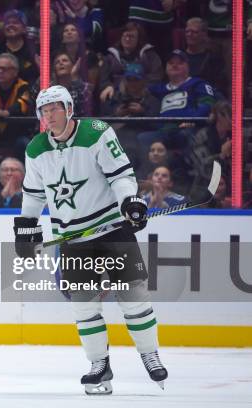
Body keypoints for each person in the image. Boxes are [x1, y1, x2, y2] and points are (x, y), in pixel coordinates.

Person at [14, 85, 168, 394]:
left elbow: (120, 175)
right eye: (44, 111)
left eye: (54, 108)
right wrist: (26, 227)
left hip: (111, 227)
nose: (49, 115)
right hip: (72, 237)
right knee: (83, 305)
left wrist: (130, 203)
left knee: (133, 295)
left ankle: (150, 355)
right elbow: (33, 194)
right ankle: (100, 364)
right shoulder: (35, 149)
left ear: (69, 108)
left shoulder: (96, 132)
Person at [136, 49, 216, 154]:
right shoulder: (158, 88)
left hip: (187, 130)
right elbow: (134, 88)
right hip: (164, 132)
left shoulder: (198, 84)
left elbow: (207, 105)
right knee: (142, 138)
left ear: (188, 67)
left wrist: (193, 120)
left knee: (186, 137)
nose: (175, 65)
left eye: (180, 63)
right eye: (171, 63)